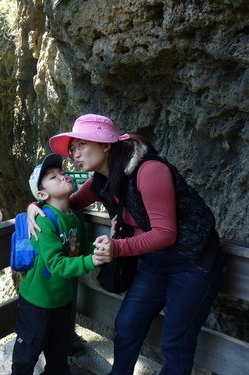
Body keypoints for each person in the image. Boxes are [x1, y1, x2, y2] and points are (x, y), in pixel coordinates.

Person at [27, 114, 224, 375]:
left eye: (82, 144)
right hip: (156, 263)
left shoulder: (150, 170)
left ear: (105, 144)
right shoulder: (102, 178)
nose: (75, 153)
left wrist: (117, 247)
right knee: (127, 324)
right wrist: (32, 207)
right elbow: (65, 203)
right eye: (72, 148)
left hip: (194, 263)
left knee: (176, 343)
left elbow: (165, 233)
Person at [12, 153, 107, 375]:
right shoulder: (42, 221)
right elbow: (57, 264)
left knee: (58, 353)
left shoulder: (74, 218)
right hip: (37, 302)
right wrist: (92, 260)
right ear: (43, 194)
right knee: (27, 355)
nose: (62, 176)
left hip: (62, 301)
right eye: (53, 177)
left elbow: (79, 252)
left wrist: (98, 249)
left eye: (62, 172)